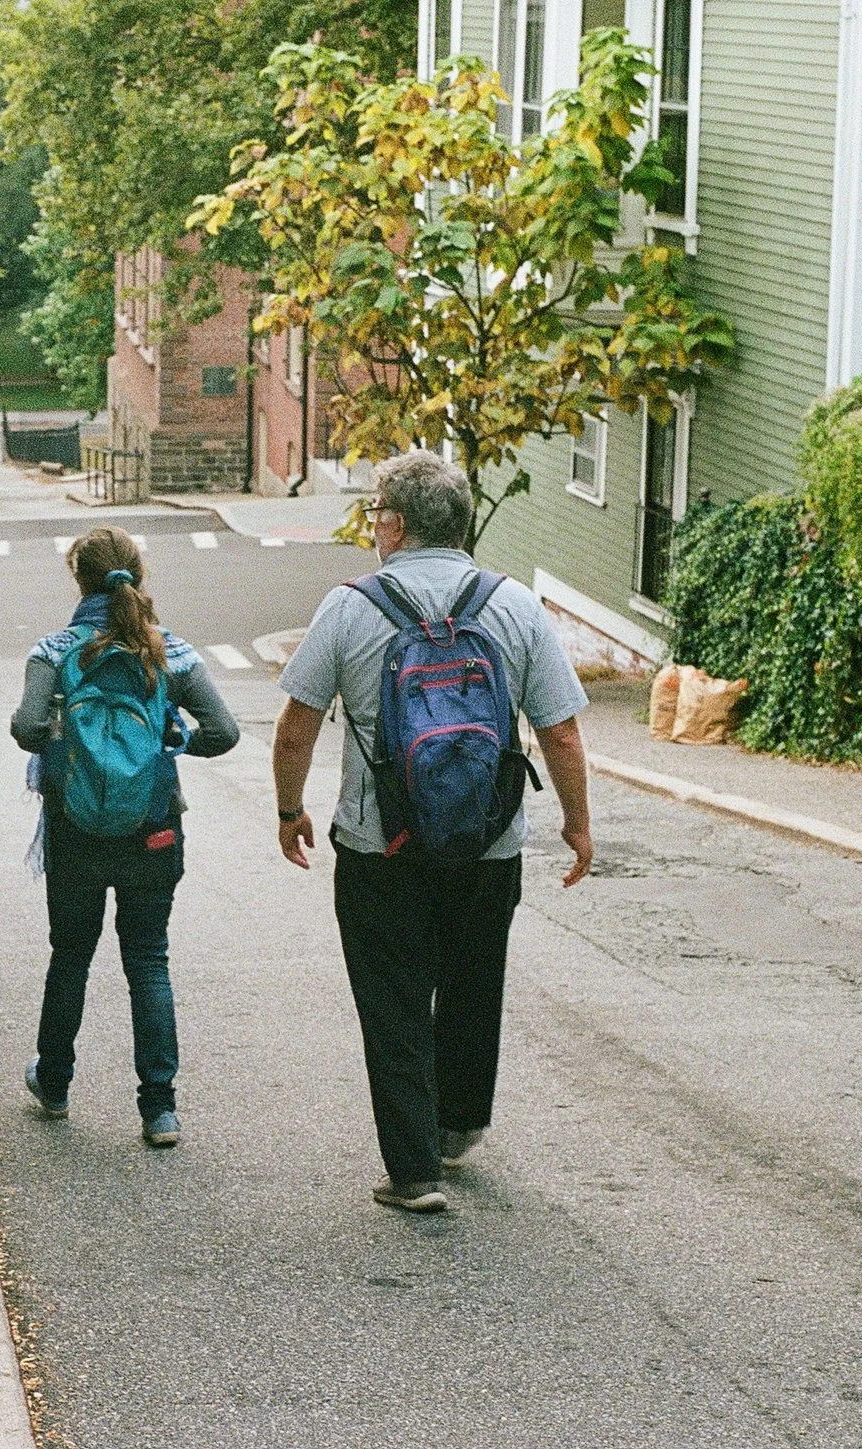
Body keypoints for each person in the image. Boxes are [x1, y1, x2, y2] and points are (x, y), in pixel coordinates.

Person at [271, 451, 593, 1213]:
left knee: (393, 996)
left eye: (378, 510)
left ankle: (415, 1170)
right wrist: (577, 824)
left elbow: (296, 728)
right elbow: (562, 733)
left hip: (381, 843)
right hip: (489, 843)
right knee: (475, 979)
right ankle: (458, 1122)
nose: (374, 522)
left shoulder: (350, 606)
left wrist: (290, 810)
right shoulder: (515, 606)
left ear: (398, 524)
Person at [9, 527, 239, 1147]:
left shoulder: (55, 652)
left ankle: (54, 1083)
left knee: (71, 955)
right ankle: (159, 1109)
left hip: (75, 828)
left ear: (78, 579)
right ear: (137, 575)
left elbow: (28, 728)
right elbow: (223, 731)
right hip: (153, 827)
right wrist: (170, 741)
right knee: (148, 959)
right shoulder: (170, 652)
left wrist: (62, 732)